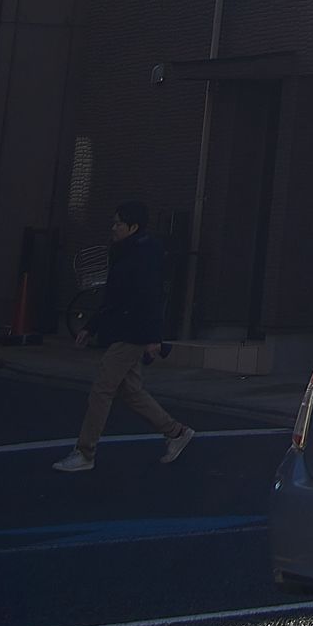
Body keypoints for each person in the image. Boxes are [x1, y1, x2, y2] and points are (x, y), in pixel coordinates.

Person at [52, 200, 192, 473]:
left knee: (102, 388)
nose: (113, 228)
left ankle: (85, 451)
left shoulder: (141, 256)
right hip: (129, 329)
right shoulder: (128, 252)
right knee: (130, 391)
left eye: (118, 223)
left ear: (133, 227)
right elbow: (114, 296)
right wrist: (91, 326)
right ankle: (176, 432)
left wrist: (153, 336)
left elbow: (148, 297)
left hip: (132, 332)